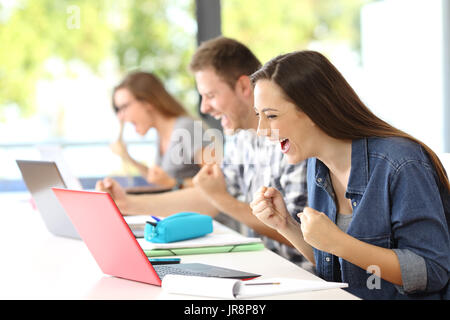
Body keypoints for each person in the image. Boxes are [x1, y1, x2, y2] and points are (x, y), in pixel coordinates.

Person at [249, 50, 450, 299]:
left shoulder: (401, 163)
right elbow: (337, 263)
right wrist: (286, 225)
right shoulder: (317, 164)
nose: (261, 130)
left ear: (314, 109)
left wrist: (339, 242)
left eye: (271, 116)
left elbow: (432, 271)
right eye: (259, 116)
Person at [96, 37, 308, 262]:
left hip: (299, 276)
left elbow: (302, 236)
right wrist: (127, 203)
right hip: (262, 263)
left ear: (244, 86)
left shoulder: (290, 142)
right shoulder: (240, 140)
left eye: (211, 95)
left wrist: (221, 199)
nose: (203, 108)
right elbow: (208, 197)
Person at [110, 71, 208, 189]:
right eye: (118, 110)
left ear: (148, 102)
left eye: (124, 107)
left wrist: (174, 183)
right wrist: (129, 158)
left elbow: (216, 179)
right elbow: (160, 180)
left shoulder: (186, 128)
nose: (120, 117)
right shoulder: (161, 135)